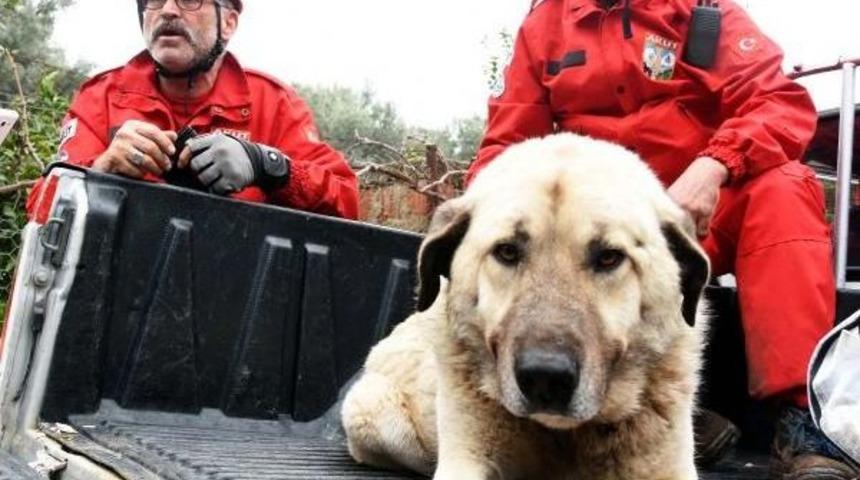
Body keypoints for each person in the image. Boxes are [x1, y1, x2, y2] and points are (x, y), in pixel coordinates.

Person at [470, 0, 857, 477]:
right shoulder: (545, 23)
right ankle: (677, 415)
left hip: (692, 221)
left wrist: (715, 165)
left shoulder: (707, 16)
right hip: (595, 241)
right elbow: (507, 145)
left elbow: (779, 103)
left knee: (785, 186)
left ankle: (801, 418)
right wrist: (474, 218)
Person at [27, 0, 358, 220]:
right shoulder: (101, 97)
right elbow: (40, 209)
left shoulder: (274, 103)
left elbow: (346, 201)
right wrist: (100, 171)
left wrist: (267, 165)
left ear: (228, 22)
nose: (169, 10)